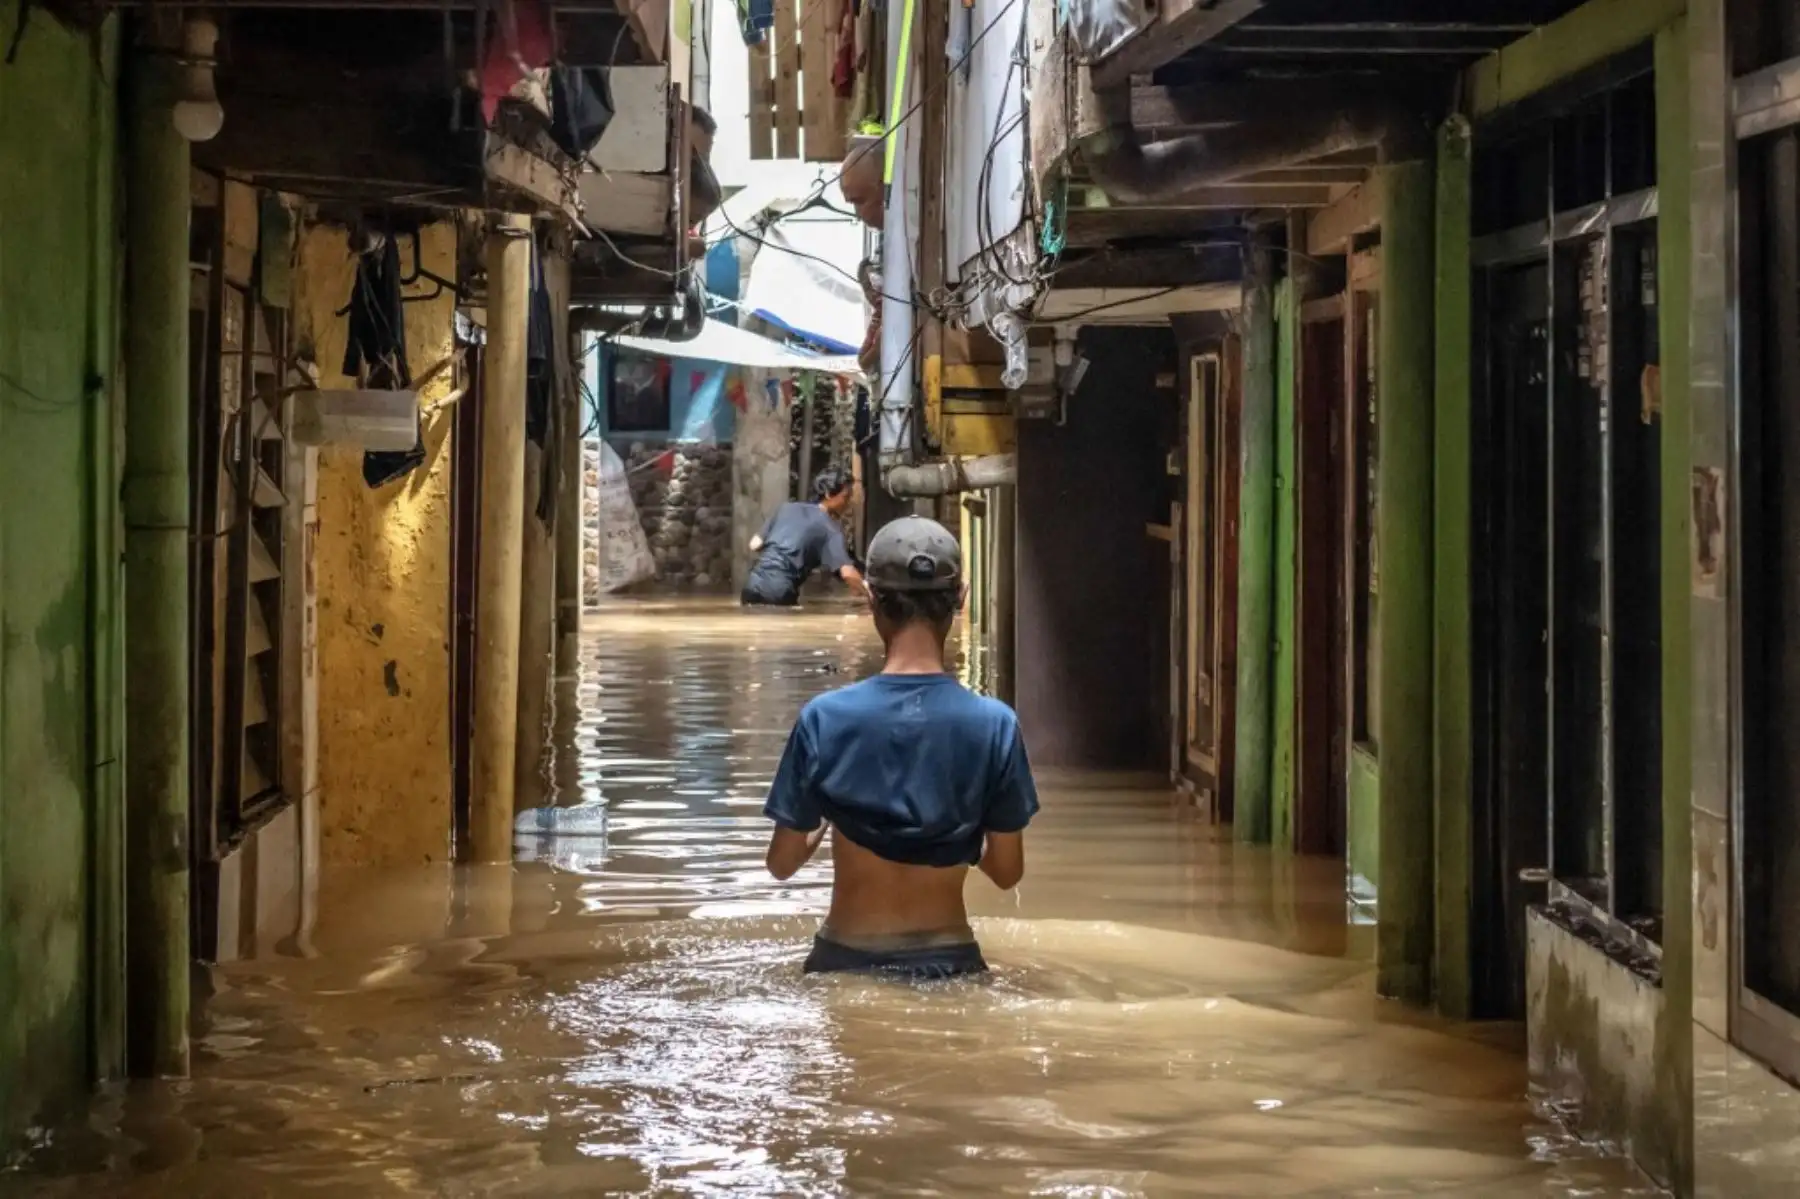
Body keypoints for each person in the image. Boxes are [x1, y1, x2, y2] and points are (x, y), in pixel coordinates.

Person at [761, 516, 1040, 980]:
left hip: (843, 962)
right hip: (952, 964)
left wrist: (829, 816)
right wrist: (962, 835)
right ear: (962, 599)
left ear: (871, 598)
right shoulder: (996, 725)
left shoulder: (824, 719)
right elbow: (1007, 872)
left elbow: (782, 864)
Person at [743, 466, 866, 607]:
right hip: (780, 591)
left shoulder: (785, 508)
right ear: (828, 494)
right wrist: (871, 597)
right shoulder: (829, 527)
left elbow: (754, 544)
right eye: (846, 497)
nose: (848, 503)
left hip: (752, 586)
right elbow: (848, 574)